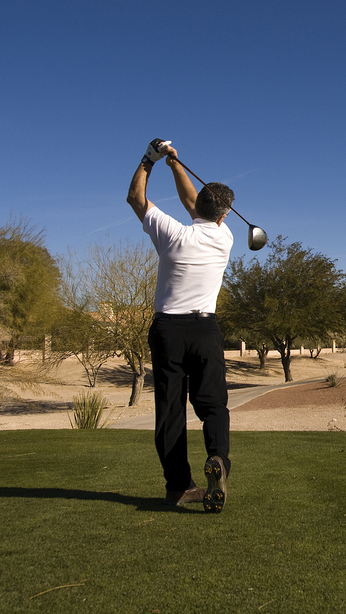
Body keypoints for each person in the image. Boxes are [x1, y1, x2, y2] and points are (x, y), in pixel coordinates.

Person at [126, 138, 234, 512]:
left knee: (171, 409)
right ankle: (218, 458)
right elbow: (196, 205)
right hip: (205, 330)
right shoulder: (224, 237)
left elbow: (136, 199)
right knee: (213, 405)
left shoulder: (172, 234)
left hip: (168, 331)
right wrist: (176, 165)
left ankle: (177, 486)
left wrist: (151, 160)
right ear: (224, 215)